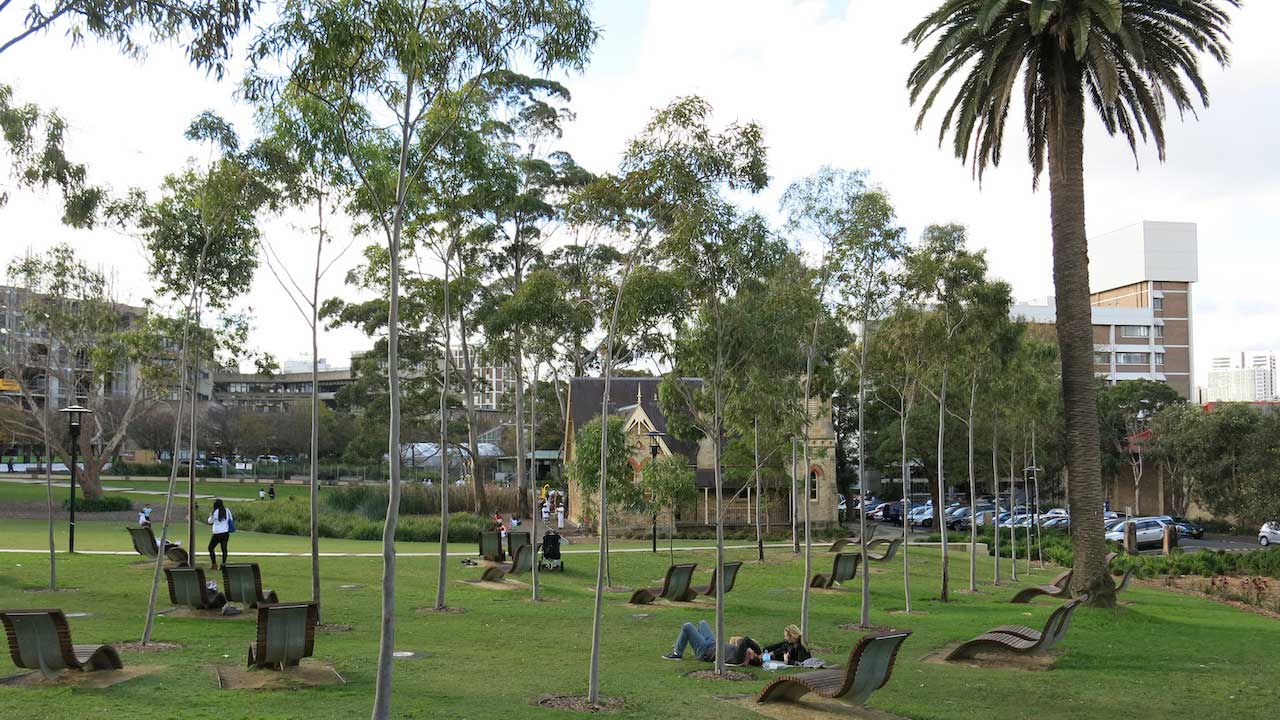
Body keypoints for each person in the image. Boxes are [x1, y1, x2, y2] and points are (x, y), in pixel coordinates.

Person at [662, 621, 763, 666]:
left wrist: (759, 652)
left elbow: (746, 640)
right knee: (703, 623)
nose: (750, 650)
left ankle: (676, 653)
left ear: (751, 657)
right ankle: (691, 641)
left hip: (704, 651)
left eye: (752, 653)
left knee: (687, 626)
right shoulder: (741, 654)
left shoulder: (740, 657)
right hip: (712, 643)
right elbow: (738, 640)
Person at [206, 498, 233, 569]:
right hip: (225, 532)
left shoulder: (215, 512)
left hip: (217, 533)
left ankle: (214, 564)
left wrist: (210, 516)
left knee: (210, 548)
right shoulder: (227, 511)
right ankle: (223, 564)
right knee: (224, 549)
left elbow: (210, 521)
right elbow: (231, 519)